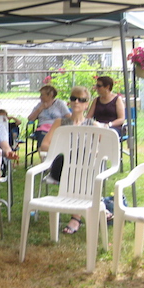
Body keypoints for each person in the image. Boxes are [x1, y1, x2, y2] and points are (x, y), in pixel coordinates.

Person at [40, 86, 98, 234]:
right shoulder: (60, 122)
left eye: (81, 99)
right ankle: (87, 211)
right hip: (62, 165)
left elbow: (101, 149)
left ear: (87, 104)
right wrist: (64, 150)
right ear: (69, 102)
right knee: (78, 164)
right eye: (73, 98)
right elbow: (44, 145)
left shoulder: (93, 125)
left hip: (84, 168)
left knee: (82, 164)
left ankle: (76, 218)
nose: (76, 102)